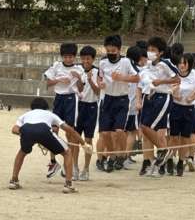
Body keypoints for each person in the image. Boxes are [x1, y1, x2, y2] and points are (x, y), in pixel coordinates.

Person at [9, 97, 91, 193]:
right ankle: (68, 184)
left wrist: (30, 135)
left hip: (26, 130)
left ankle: (14, 180)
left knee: (22, 152)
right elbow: (70, 130)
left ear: (32, 107)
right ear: (46, 107)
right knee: (67, 152)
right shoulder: (50, 114)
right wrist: (84, 144)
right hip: (44, 130)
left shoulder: (25, 115)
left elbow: (14, 129)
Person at [136, 37, 180, 177]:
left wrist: (161, 81)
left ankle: (163, 150)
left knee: (147, 127)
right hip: (150, 97)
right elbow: (141, 82)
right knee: (145, 128)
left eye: (153, 50)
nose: (150, 52)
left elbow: (177, 78)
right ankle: (153, 161)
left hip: (162, 97)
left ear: (160, 52)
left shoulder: (165, 63)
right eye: (149, 49)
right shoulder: (148, 65)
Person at [98, 35, 140, 172]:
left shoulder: (126, 62)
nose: (110, 53)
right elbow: (99, 78)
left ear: (119, 49)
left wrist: (122, 77)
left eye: (113, 51)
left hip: (122, 100)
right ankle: (111, 156)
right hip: (107, 99)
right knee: (105, 133)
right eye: (108, 51)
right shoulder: (103, 62)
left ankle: (121, 155)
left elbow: (137, 78)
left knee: (119, 131)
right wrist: (100, 84)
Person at [44, 43, 84, 179]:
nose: (68, 59)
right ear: (62, 56)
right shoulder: (56, 66)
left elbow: (81, 88)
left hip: (71, 99)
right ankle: (53, 161)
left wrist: (78, 78)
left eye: (70, 57)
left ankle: (71, 165)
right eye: (66, 57)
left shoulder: (78, 68)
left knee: (70, 132)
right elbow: (48, 83)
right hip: (59, 99)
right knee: (53, 130)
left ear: (74, 57)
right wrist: (59, 79)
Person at [170, 53, 195, 176]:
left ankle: (181, 162)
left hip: (189, 109)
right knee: (173, 137)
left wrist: (191, 98)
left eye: (184, 63)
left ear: (189, 64)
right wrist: (174, 95)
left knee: (185, 137)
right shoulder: (174, 75)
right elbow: (169, 88)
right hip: (175, 107)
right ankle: (170, 160)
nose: (182, 65)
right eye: (180, 63)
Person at [75, 46, 100, 181]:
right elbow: (79, 89)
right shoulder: (78, 70)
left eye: (88, 58)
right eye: (83, 58)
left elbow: (98, 92)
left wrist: (90, 80)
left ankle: (86, 168)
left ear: (93, 59)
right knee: (75, 139)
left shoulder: (97, 72)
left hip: (91, 107)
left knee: (88, 139)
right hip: (79, 107)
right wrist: (79, 79)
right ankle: (74, 167)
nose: (85, 61)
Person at [123, 46, 147, 170]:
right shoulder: (140, 71)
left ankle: (116, 156)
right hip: (132, 105)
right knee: (131, 132)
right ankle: (125, 157)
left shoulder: (122, 67)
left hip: (120, 102)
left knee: (122, 131)